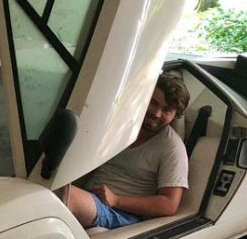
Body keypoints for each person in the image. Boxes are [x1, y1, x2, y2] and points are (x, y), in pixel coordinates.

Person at [67, 73, 190, 229]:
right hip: (91, 197)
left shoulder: (172, 147)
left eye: (166, 110)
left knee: (65, 196)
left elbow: (169, 204)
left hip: (121, 213)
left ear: (175, 116)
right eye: (153, 103)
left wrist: (117, 200)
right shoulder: (122, 125)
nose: (156, 113)